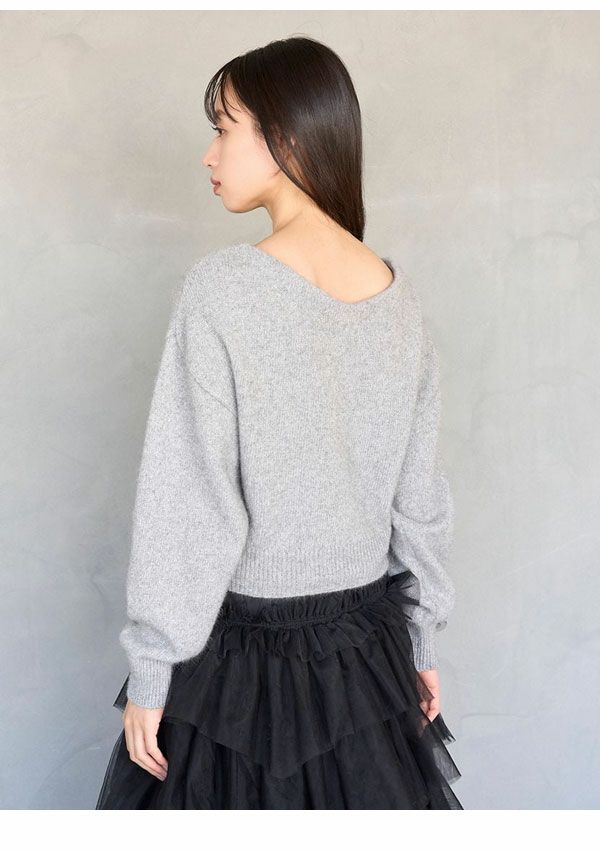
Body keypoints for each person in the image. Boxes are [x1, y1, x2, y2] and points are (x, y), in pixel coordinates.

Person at [95, 35, 463, 810]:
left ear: (287, 138)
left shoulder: (223, 289)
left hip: (240, 673)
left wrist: (154, 669)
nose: (208, 154)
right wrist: (421, 638)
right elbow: (420, 500)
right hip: (366, 662)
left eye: (224, 128)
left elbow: (190, 499)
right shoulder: (399, 301)